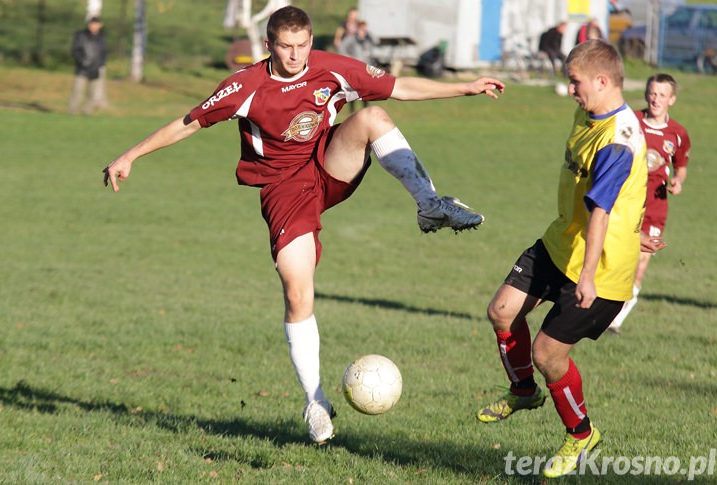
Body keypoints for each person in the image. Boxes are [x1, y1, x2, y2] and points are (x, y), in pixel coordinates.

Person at [103, 6, 505, 445]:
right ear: (269, 45)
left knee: (373, 118)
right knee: (298, 290)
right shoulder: (246, 86)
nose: (296, 56)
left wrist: (465, 87)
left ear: (311, 41)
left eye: (303, 46)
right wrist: (131, 155)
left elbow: (398, 87)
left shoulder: (331, 68)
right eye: (286, 47)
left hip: (329, 168)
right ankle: (315, 401)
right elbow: (190, 122)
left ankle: (430, 204)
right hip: (283, 190)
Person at [474, 39, 646, 478]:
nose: (570, 90)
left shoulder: (616, 142)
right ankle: (523, 391)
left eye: (576, 82)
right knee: (501, 312)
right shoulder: (589, 112)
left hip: (600, 270)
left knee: (549, 353)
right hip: (560, 243)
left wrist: (586, 277)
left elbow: (603, 211)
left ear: (603, 81)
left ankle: (581, 432)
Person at [608, 73, 691, 334]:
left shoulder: (677, 133)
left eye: (662, 95)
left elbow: (681, 166)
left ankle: (616, 320)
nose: (656, 99)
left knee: (641, 262)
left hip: (655, 207)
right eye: (652, 93)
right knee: (613, 255)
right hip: (623, 201)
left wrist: (678, 181)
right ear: (646, 93)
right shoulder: (630, 120)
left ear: (672, 99)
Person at [68, 16, 108, 115]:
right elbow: (75, 50)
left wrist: (100, 63)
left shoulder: (101, 37)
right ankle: (73, 110)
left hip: (95, 68)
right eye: (92, 24)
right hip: (82, 68)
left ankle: (87, 111)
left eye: (96, 24)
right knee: (78, 91)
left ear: (100, 25)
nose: (94, 26)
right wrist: (82, 61)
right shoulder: (81, 35)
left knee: (92, 93)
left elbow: (104, 52)